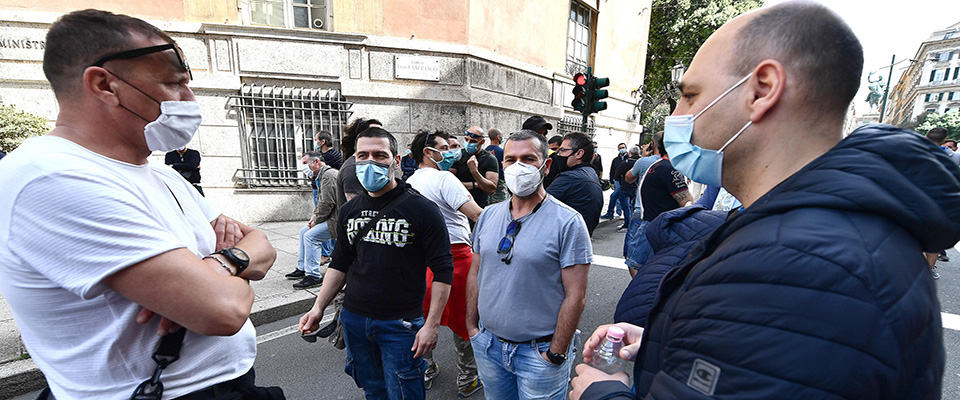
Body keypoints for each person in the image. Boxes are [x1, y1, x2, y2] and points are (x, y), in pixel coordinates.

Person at [571, 2, 960, 399]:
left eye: (690, 94)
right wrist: (664, 342)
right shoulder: (812, 235)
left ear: (762, 90)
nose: (676, 114)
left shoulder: (795, 267)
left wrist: (603, 393)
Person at [0, 9, 282, 398]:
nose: (190, 100)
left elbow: (261, 244)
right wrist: (229, 273)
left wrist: (221, 262)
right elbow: (222, 311)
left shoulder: (159, 173)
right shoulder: (52, 177)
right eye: (173, 84)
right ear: (104, 84)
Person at [299, 127, 453, 400]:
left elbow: (443, 270)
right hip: (355, 320)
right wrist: (317, 307)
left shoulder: (422, 210)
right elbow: (340, 264)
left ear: (395, 161)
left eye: (379, 155)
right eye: (363, 155)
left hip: (401, 324)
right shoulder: (349, 209)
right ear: (354, 160)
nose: (370, 162)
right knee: (373, 390)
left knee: (405, 392)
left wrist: (431, 324)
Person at [466, 129, 592, 400]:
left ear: (545, 165)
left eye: (528, 159)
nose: (518, 167)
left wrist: (555, 352)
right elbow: (476, 272)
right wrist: (473, 329)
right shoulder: (487, 216)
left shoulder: (568, 222)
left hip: (539, 354)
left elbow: (576, 295)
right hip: (488, 345)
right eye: (511, 160)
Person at [407, 130, 484, 396]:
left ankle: (425, 367)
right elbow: (477, 215)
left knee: (422, 317)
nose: (452, 150)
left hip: (420, 259)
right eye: (445, 147)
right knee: (464, 318)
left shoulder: (409, 182)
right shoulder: (444, 178)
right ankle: (468, 377)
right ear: (428, 153)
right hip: (456, 257)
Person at [622, 132, 692, 278]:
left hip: (652, 222)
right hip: (656, 224)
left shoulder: (657, 166)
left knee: (636, 262)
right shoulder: (669, 169)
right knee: (637, 262)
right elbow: (687, 202)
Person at [286, 151, 338, 289]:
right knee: (304, 231)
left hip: (338, 220)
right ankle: (302, 268)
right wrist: (314, 217)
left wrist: (317, 220)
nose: (303, 167)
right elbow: (322, 203)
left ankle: (314, 275)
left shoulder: (328, 175)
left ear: (316, 162)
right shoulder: (322, 176)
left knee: (311, 236)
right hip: (332, 217)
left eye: (305, 163)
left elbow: (327, 203)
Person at [546, 132, 603, 236]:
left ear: (579, 153)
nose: (559, 155)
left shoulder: (570, 178)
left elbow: (538, 207)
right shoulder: (590, 173)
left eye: (562, 150)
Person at [450, 127, 499, 208]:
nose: (468, 143)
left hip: (480, 205)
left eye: (473, 141)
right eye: (466, 140)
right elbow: (451, 184)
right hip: (458, 204)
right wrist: (476, 184)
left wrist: (474, 171)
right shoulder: (458, 155)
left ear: (482, 141)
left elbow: (491, 189)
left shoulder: (489, 159)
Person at [613, 146, 640, 232]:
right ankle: (633, 223)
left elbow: (617, 174)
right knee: (634, 207)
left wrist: (621, 177)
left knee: (626, 206)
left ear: (630, 153)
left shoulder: (626, 163)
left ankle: (627, 224)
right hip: (637, 187)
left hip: (625, 187)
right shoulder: (641, 162)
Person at [600, 143, 627, 219]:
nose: (622, 149)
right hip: (618, 180)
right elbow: (612, 171)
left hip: (626, 181)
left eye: (623, 147)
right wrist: (612, 182)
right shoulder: (615, 160)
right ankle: (618, 212)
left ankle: (621, 212)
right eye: (620, 148)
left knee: (623, 197)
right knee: (616, 197)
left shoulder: (629, 158)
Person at [487, 128, 509, 203]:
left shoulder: (485, 151)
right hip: (500, 183)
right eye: (501, 136)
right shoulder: (502, 152)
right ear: (498, 137)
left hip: (487, 181)